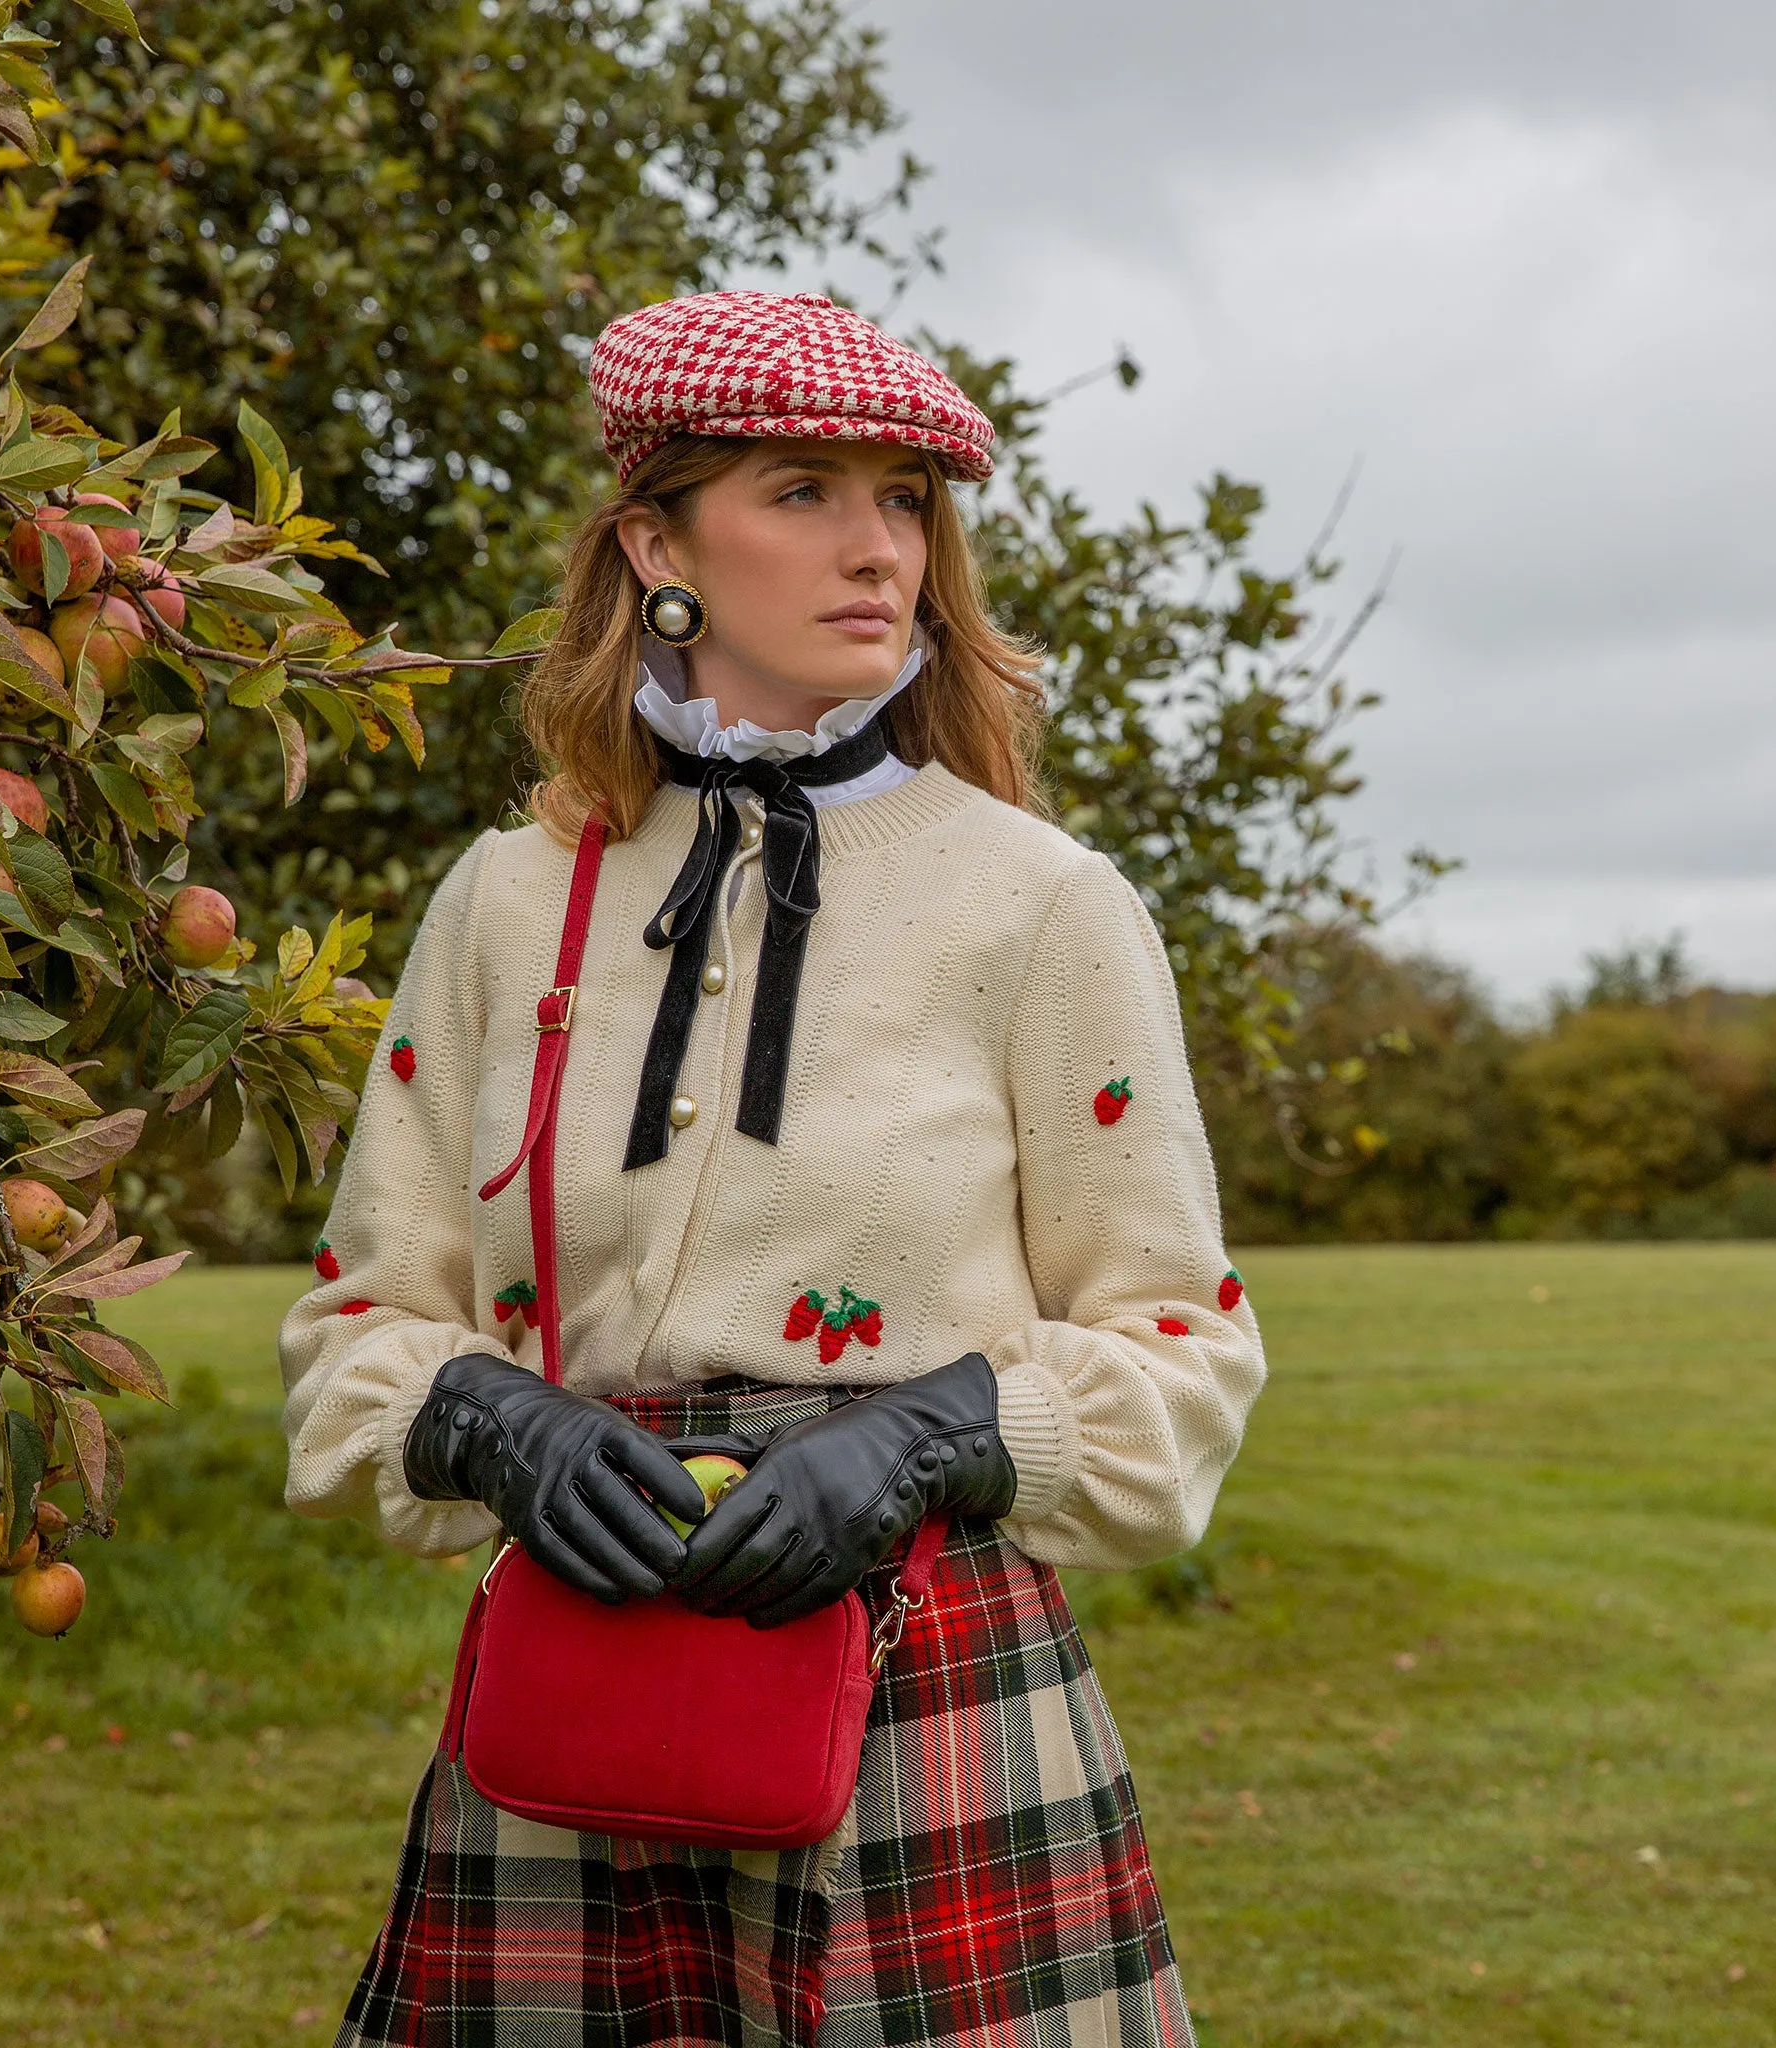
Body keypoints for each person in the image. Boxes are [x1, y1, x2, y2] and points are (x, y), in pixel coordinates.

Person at [278, 289, 1267, 2048]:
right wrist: (482, 1422)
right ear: (657, 539)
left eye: (904, 502)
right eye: (801, 491)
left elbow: (1186, 1354)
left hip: (920, 1686)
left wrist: (937, 1434)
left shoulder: (1046, 906)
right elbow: (367, 1313)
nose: (873, 547)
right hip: (579, 1684)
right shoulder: (507, 899)